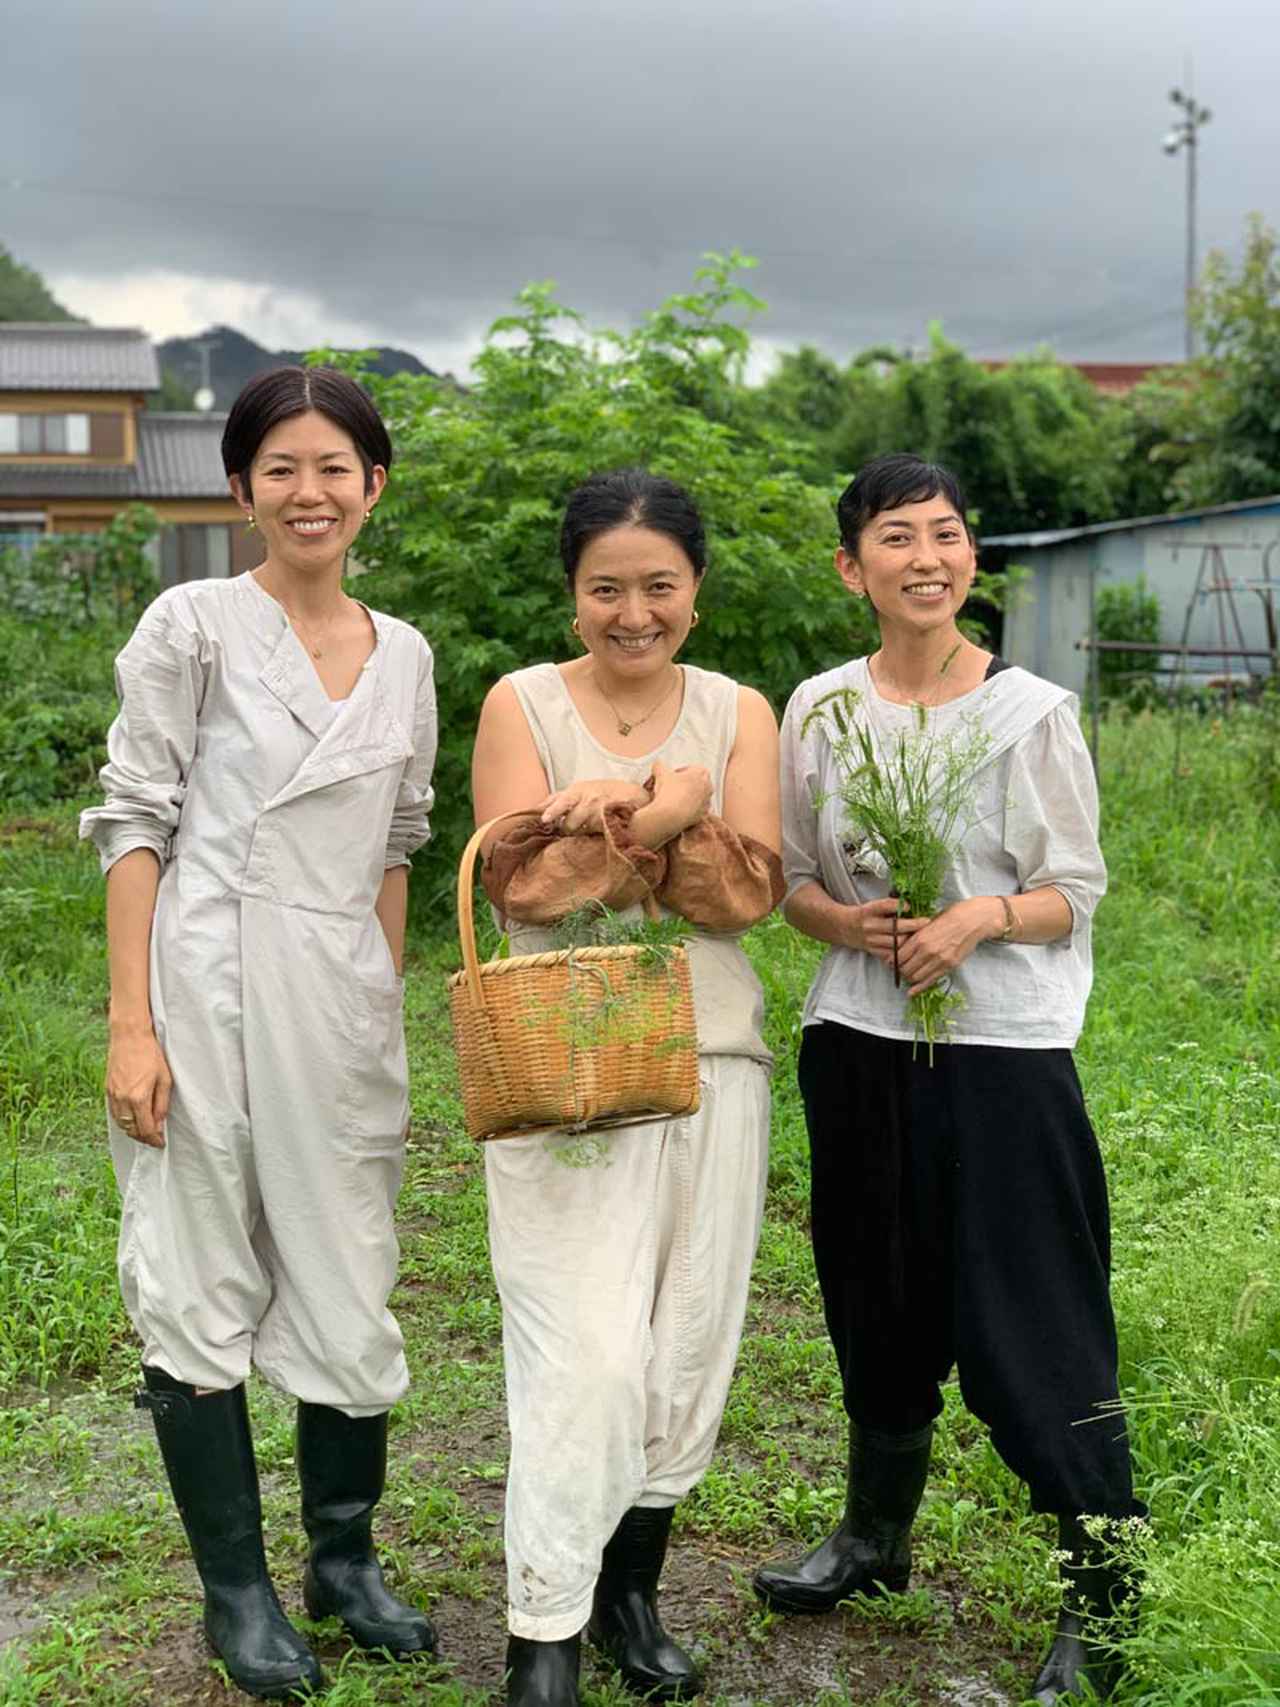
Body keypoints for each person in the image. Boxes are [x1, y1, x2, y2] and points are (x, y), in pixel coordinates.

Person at [752, 454, 1144, 1704]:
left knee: (1032, 1315)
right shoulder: (816, 707)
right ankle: (875, 1539)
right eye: (895, 538)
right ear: (849, 565)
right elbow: (791, 880)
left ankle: (1105, 1585)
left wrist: (972, 920)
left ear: (971, 557)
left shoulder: (1028, 711)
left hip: (1003, 1058)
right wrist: (845, 928)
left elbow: (1070, 889)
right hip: (856, 1045)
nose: (926, 558)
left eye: (946, 535)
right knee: (871, 1294)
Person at [80, 367, 439, 1699]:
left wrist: (375, 997)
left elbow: (400, 844)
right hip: (209, 970)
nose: (309, 490)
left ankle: (345, 1563)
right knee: (197, 1265)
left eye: (334, 466)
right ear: (241, 487)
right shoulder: (195, 624)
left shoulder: (403, 652)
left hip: (336, 988)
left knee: (351, 1267)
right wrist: (134, 1023)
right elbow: (136, 821)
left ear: (373, 486)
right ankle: (242, 1587)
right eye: (279, 466)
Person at [471, 469, 782, 1707]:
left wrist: (634, 822)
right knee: (581, 1353)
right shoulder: (521, 704)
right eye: (607, 588)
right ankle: (540, 1631)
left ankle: (627, 1599)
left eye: (658, 586)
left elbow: (745, 896)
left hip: (712, 1065)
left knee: (683, 1349)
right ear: (574, 598)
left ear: (694, 597)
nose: (633, 611)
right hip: (562, 1068)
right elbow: (519, 890)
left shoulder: (736, 711)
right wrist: (666, 818)